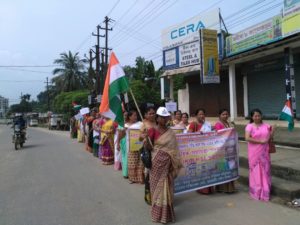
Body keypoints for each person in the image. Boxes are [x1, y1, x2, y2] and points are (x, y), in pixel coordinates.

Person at [145, 106, 182, 224]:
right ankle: (157, 214)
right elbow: (148, 147)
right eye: (162, 117)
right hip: (156, 162)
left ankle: (167, 214)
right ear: (157, 118)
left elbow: (174, 149)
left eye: (166, 117)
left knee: (167, 186)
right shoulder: (152, 130)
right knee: (157, 187)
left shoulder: (170, 132)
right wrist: (147, 142)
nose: (164, 120)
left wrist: (173, 162)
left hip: (168, 163)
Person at [245, 108, 274, 201]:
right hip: (254, 152)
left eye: (258, 115)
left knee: (265, 170)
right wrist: (260, 141)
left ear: (261, 116)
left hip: (264, 152)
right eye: (255, 116)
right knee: (256, 172)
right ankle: (257, 191)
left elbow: (269, 137)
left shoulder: (266, 126)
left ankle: (265, 191)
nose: (257, 117)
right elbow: (247, 138)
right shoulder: (249, 126)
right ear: (252, 117)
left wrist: (273, 130)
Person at [188, 108, 214, 194]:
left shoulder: (208, 125)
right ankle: (201, 188)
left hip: (207, 150)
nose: (202, 116)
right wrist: (198, 133)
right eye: (200, 114)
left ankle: (208, 188)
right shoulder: (193, 124)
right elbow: (188, 136)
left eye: (203, 114)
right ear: (196, 116)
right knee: (200, 169)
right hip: (197, 151)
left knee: (208, 168)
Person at [214, 109, 236, 193]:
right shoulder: (218, 124)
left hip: (230, 149)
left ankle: (230, 188)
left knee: (230, 167)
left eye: (227, 114)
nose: (225, 116)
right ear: (219, 115)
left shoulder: (229, 124)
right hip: (222, 149)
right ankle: (222, 188)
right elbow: (219, 136)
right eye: (223, 114)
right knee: (223, 167)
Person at [140, 106, 157, 205]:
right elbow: (139, 138)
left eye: (153, 113)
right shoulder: (144, 125)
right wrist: (144, 136)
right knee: (149, 174)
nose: (152, 115)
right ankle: (149, 197)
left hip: (158, 150)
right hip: (148, 151)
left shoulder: (157, 123)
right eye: (150, 113)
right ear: (145, 115)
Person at [126, 110, 144, 184]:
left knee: (140, 162)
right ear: (129, 117)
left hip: (140, 144)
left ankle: (140, 178)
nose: (135, 117)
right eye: (134, 115)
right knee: (132, 162)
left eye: (136, 115)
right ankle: (132, 178)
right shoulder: (126, 125)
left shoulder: (140, 124)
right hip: (131, 145)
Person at [117, 111, 129, 178]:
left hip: (130, 142)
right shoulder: (120, 124)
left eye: (127, 115)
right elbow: (119, 135)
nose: (126, 116)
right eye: (124, 115)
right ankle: (125, 173)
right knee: (124, 157)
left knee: (128, 157)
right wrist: (118, 144)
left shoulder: (131, 124)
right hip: (123, 141)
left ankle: (129, 173)